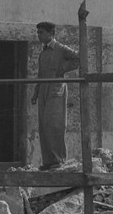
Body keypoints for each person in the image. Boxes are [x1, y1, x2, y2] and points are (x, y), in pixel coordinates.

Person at [31, 22, 80, 170]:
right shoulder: (43, 53)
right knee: (44, 126)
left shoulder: (60, 48)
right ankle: (48, 162)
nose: (39, 35)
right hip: (44, 90)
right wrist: (35, 93)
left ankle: (58, 159)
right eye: (38, 33)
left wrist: (63, 69)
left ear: (51, 33)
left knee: (55, 124)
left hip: (56, 89)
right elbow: (40, 75)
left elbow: (78, 58)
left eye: (41, 33)